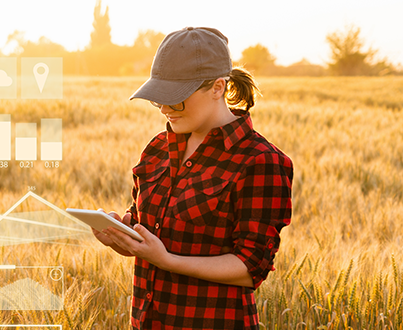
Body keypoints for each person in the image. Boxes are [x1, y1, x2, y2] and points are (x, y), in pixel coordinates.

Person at [92, 27, 293, 329]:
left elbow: (250, 268)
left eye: (176, 99)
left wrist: (167, 260)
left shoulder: (260, 161)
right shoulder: (158, 148)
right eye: (158, 98)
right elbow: (147, 226)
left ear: (217, 87)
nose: (164, 110)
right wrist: (122, 236)